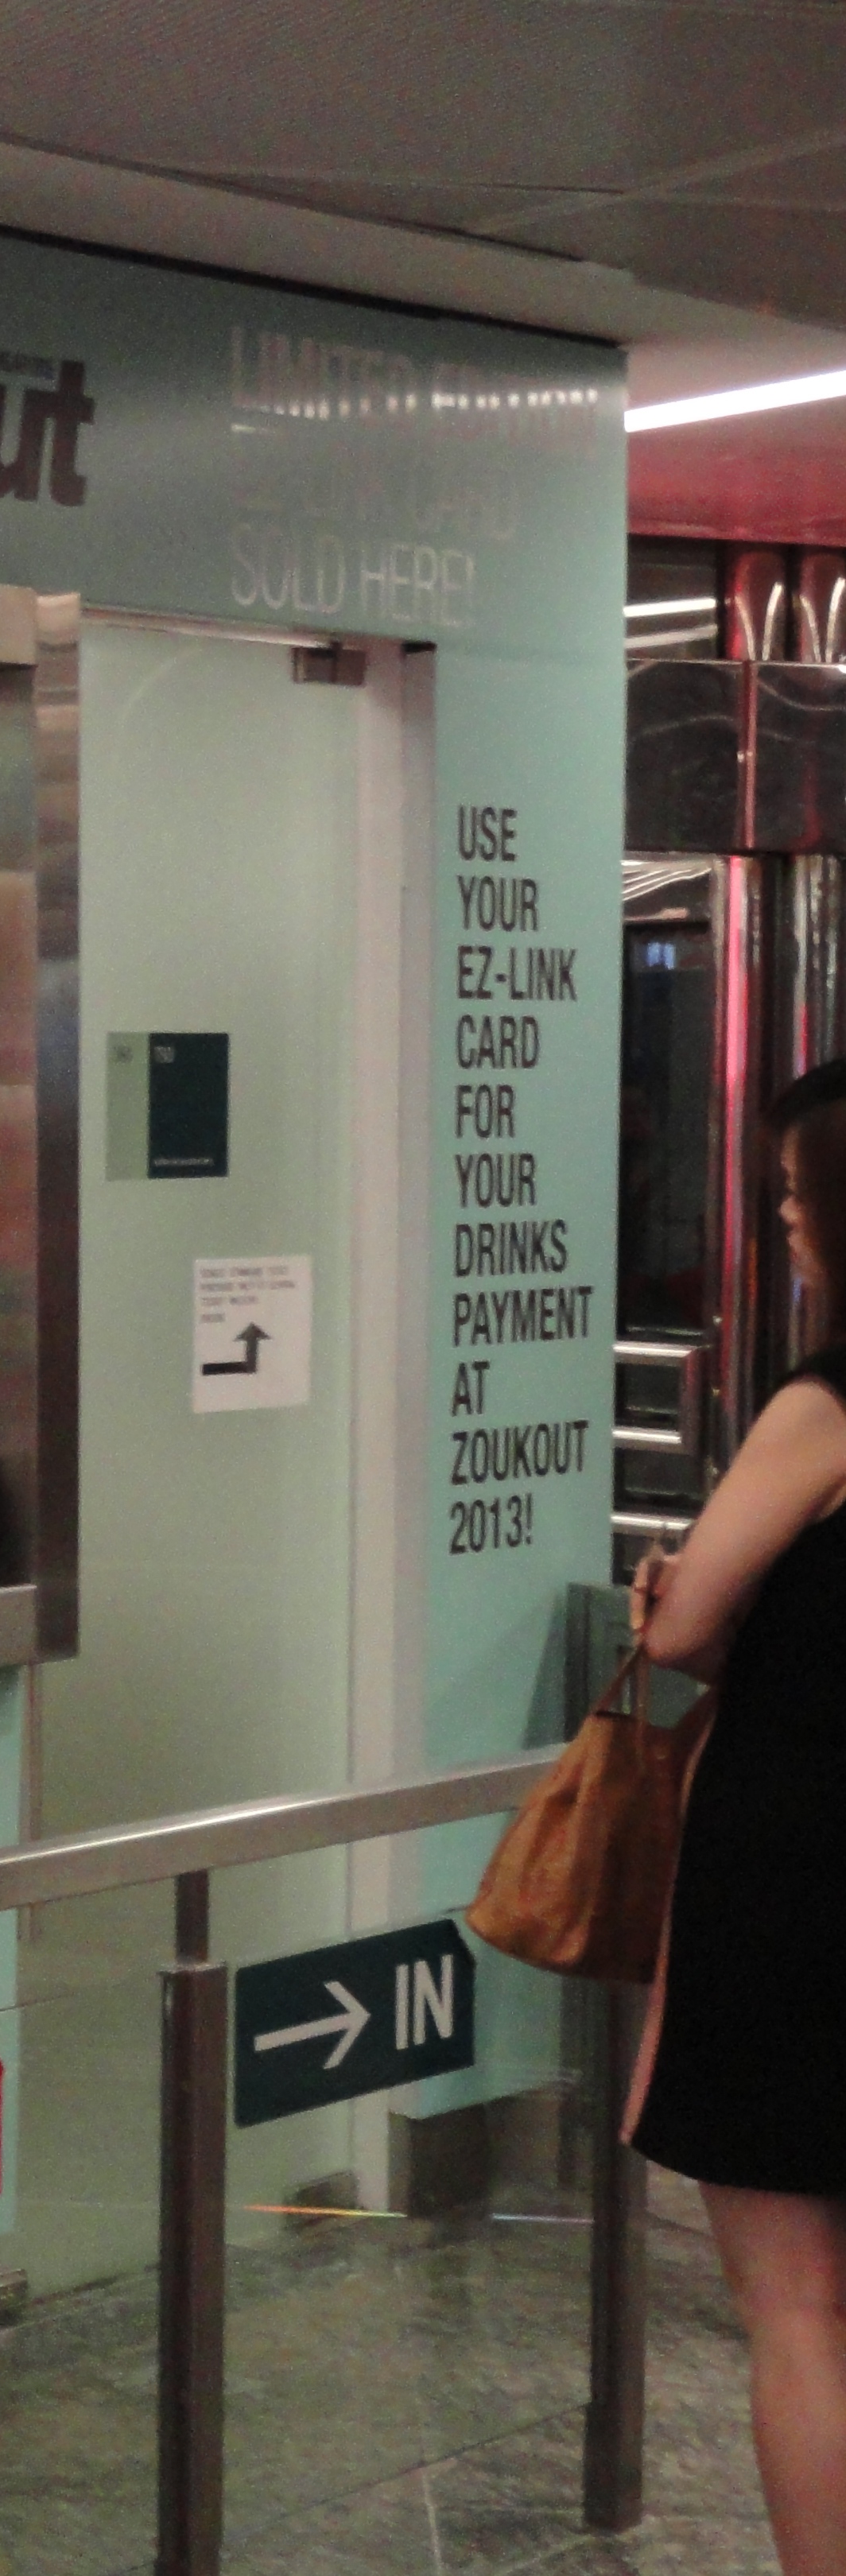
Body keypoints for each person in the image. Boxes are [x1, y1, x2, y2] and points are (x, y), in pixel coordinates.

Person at [630, 1057, 846, 2576]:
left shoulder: (823, 1406)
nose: (779, 1224)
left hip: (798, 1877)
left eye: (789, 1196)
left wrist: (673, 1601)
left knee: (797, 2311)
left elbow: (691, 1620)